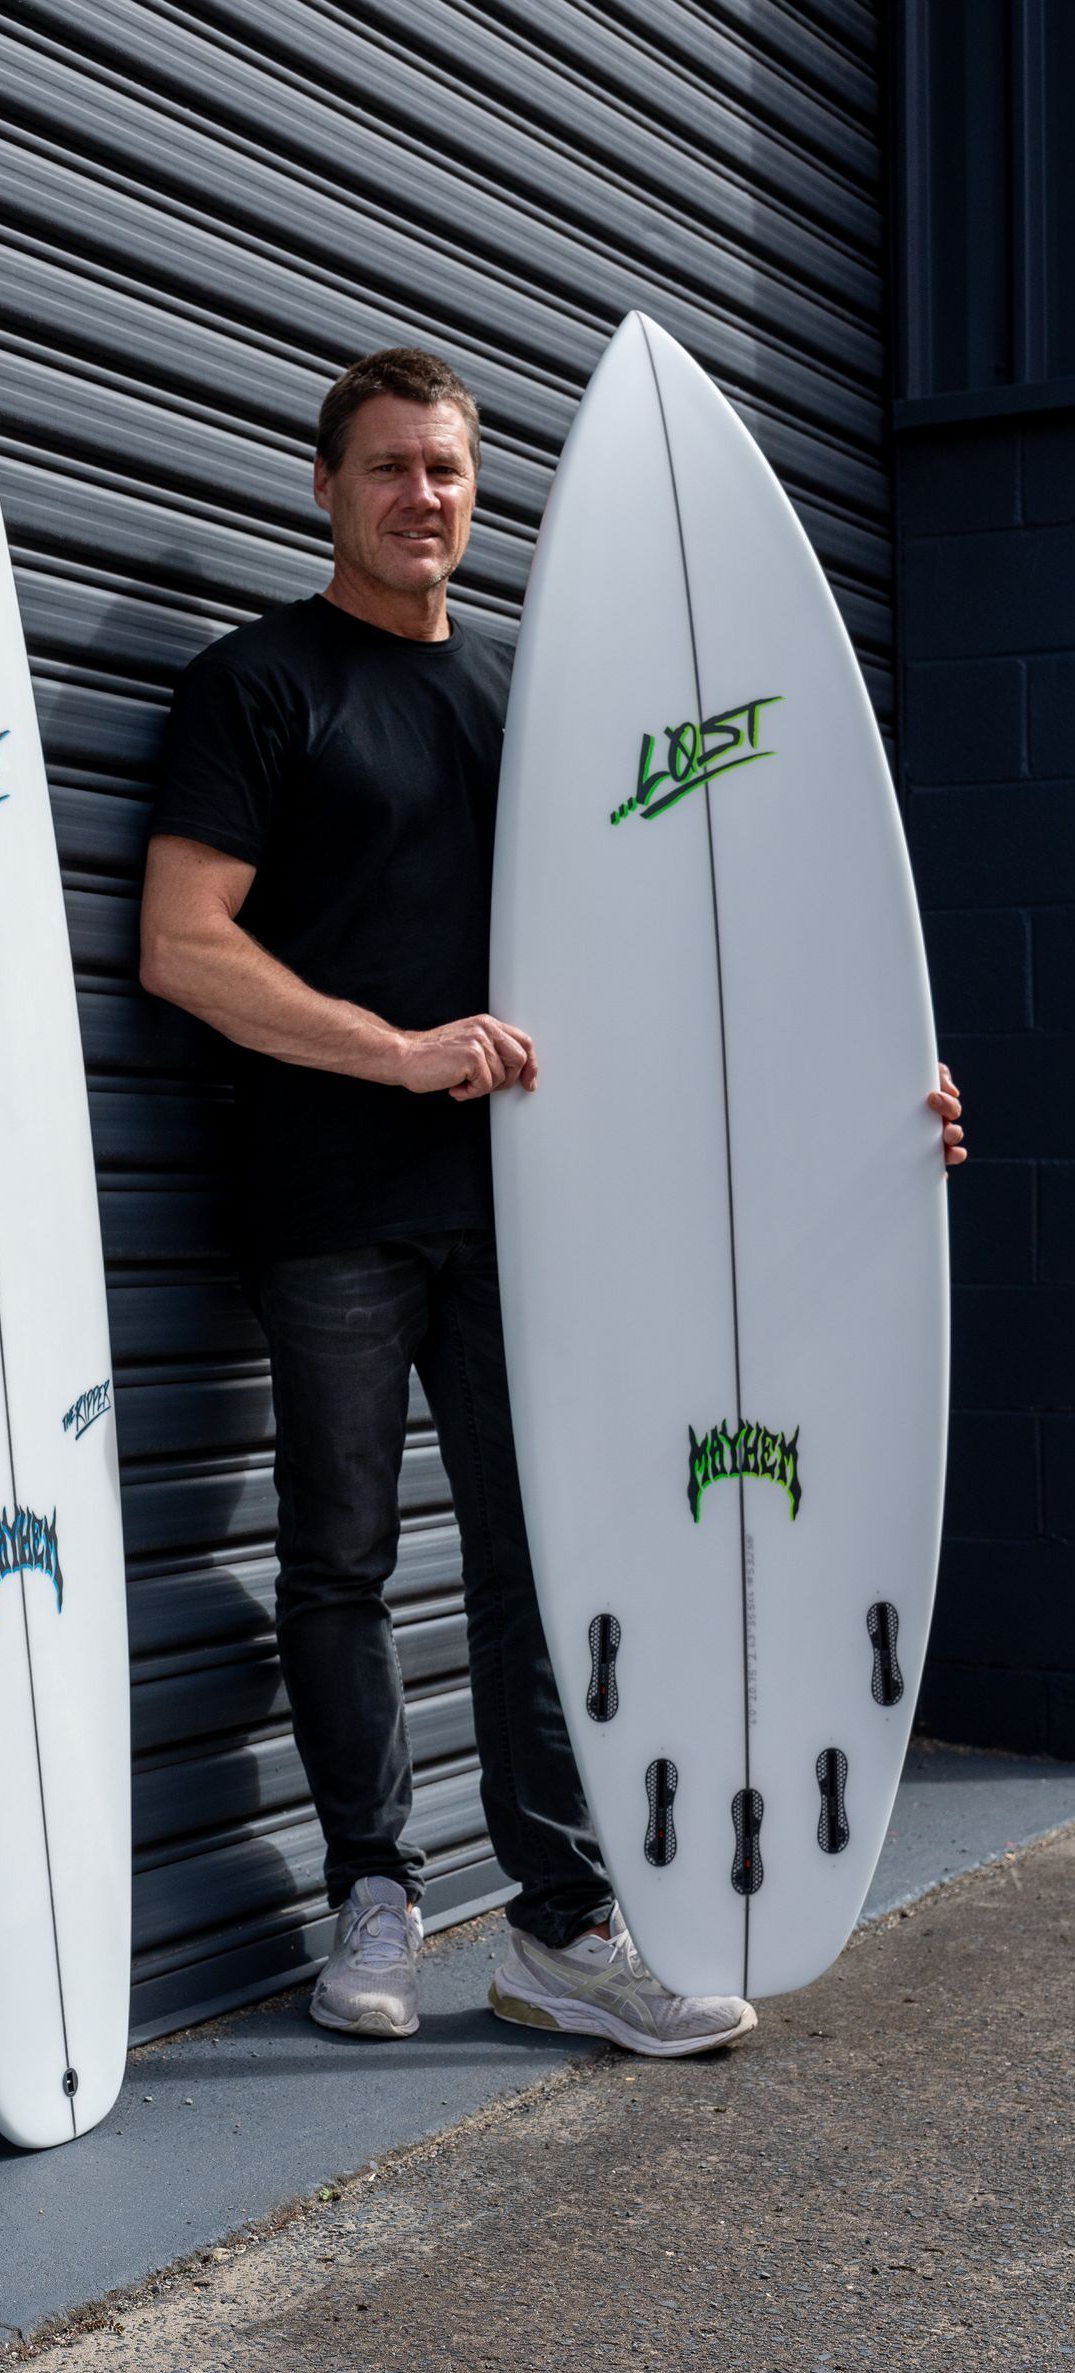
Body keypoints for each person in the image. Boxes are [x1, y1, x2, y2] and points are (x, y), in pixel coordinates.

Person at [138, 346, 967, 2060]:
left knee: (553, 1555)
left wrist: (865, 1110)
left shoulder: (542, 702)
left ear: (476, 486)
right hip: (334, 1205)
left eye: (444, 468)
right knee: (342, 1557)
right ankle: (373, 1896)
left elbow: (686, 956)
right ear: (325, 488)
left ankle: (561, 1921)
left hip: (540, 1217)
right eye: (385, 468)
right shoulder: (260, 689)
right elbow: (186, 948)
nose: (420, 496)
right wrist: (393, 1053)